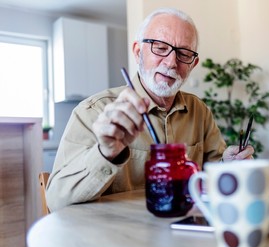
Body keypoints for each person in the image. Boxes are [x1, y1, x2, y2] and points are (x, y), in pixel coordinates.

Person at [46, 7, 254, 211]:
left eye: (183, 54)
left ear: (193, 63)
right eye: (160, 48)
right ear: (138, 52)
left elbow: (212, 177)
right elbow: (56, 200)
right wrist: (104, 153)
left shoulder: (199, 111)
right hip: (118, 238)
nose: (172, 62)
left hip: (184, 232)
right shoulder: (94, 111)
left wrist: (229, 164)